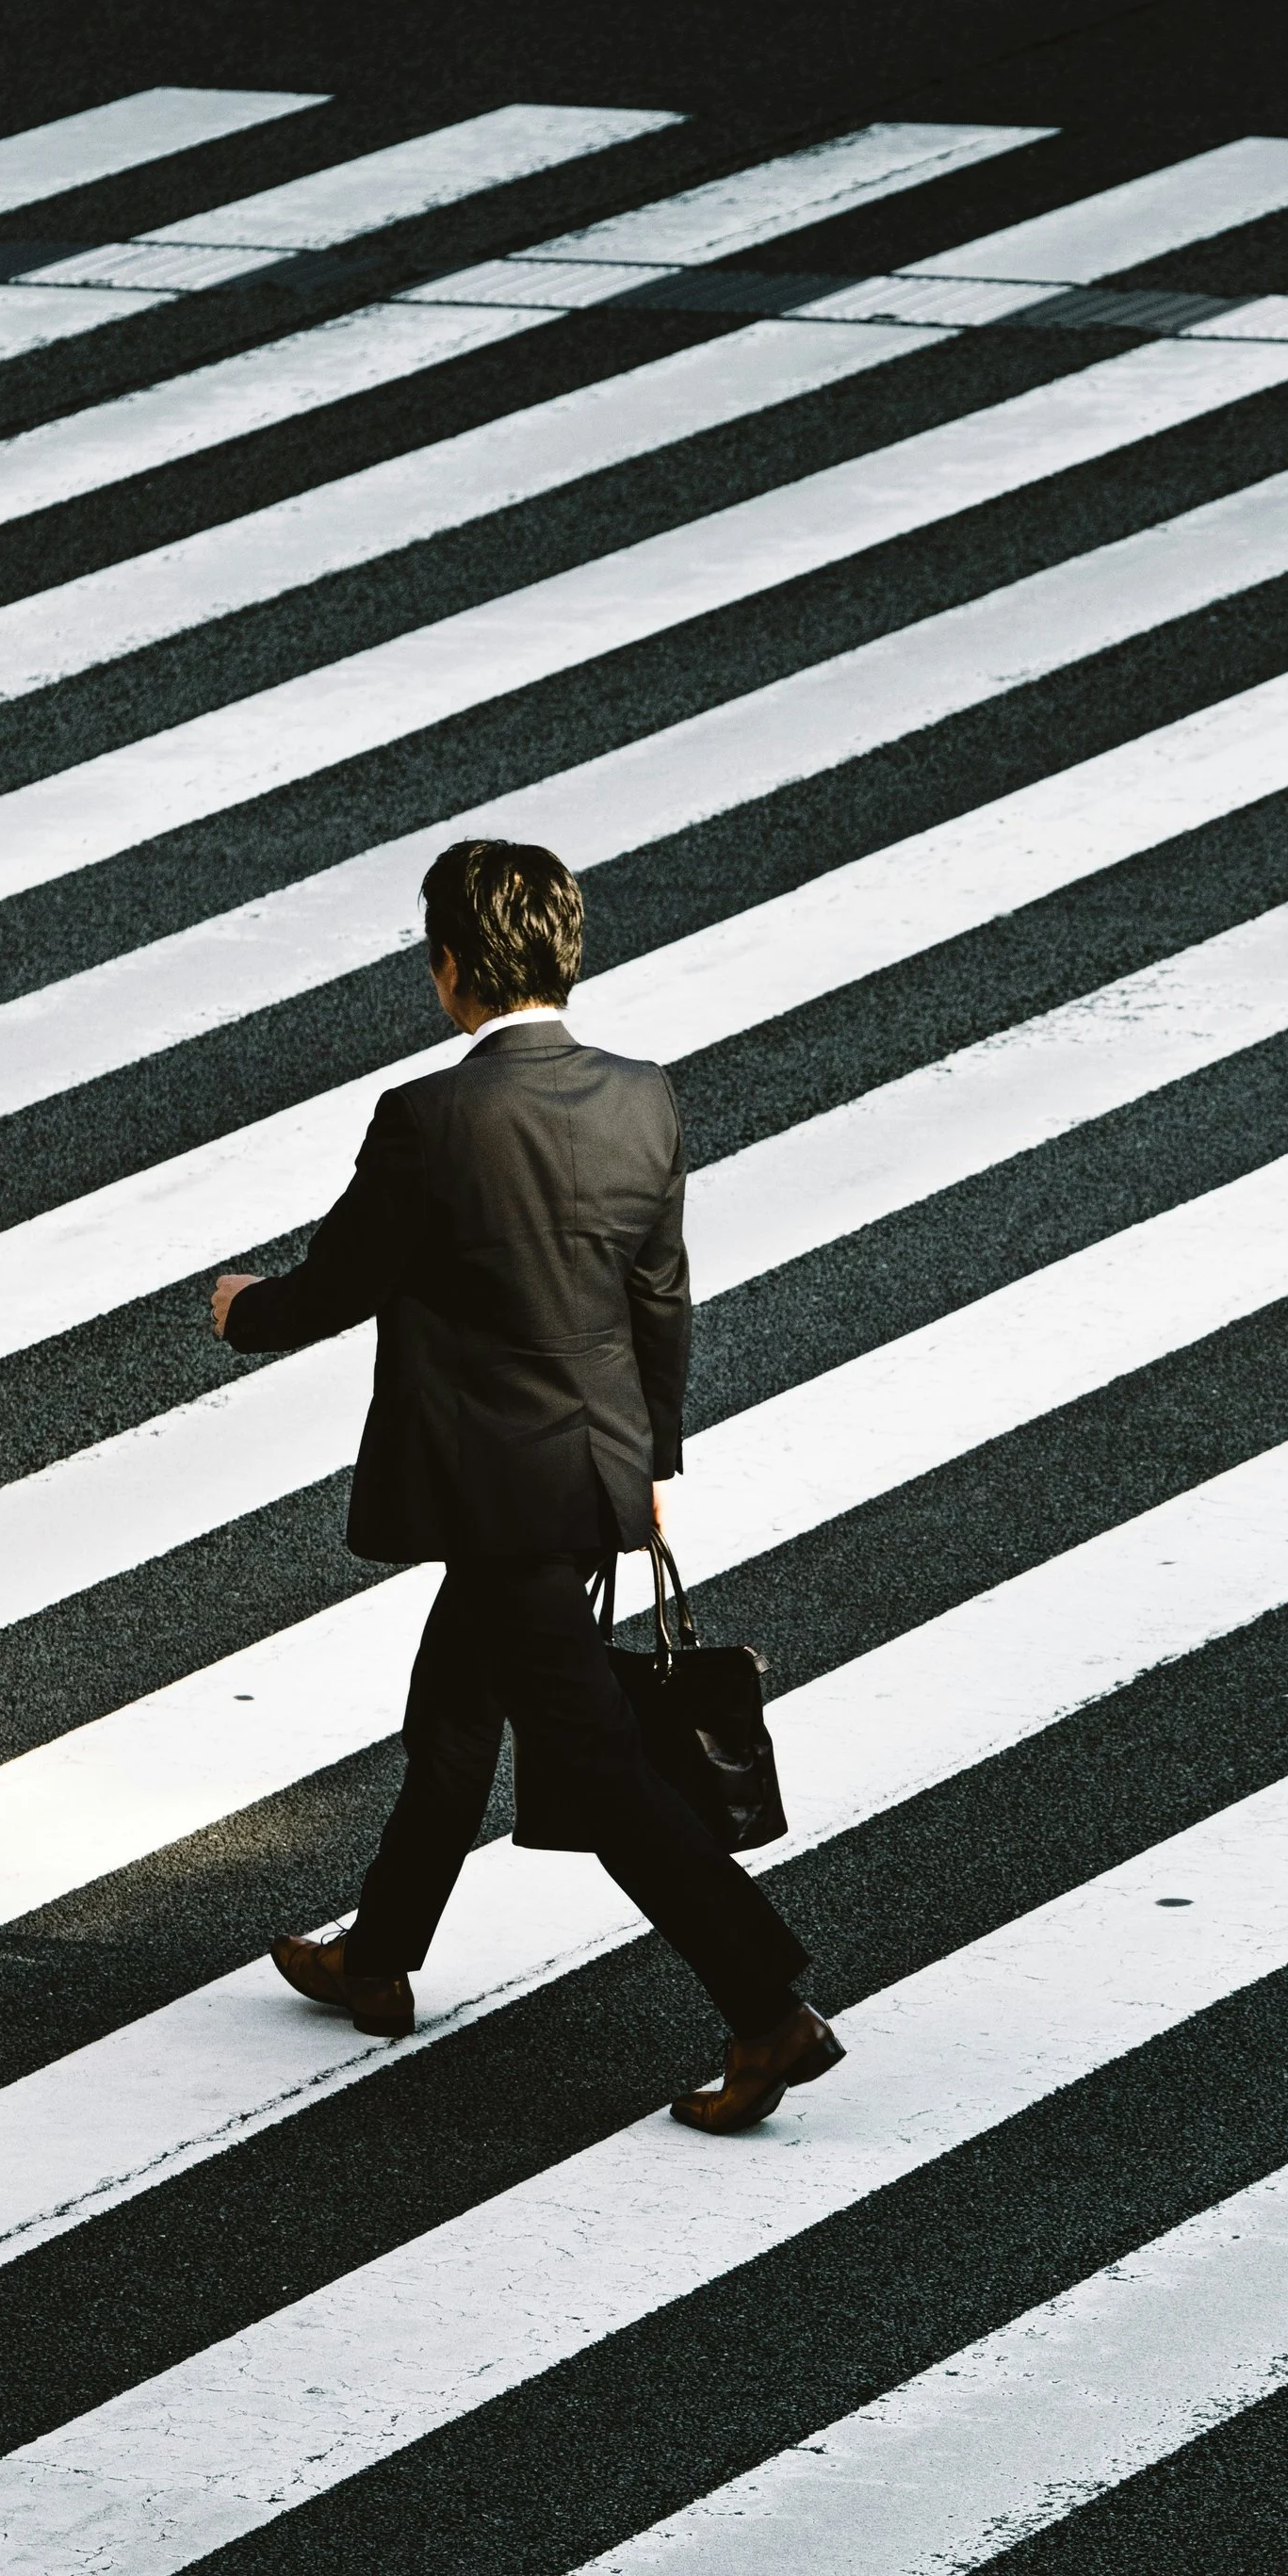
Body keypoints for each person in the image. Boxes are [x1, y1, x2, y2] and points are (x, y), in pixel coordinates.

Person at [210, 836, 841, 2134]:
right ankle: (378, 1952)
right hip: (584, 1472)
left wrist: (237, 1311)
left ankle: (767, 2006)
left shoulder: (432, 1120)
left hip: (487, 1488)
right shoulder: (643, 1100)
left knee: (602, 1770)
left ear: (451, 971)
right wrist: (648, 1463)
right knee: (453, 1711)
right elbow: (658, 1301)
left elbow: (339, 1285)